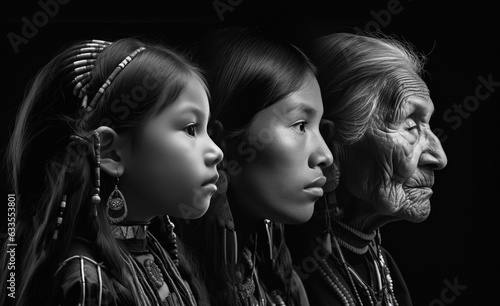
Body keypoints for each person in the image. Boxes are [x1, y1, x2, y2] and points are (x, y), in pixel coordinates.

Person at [0, 38, 223, 306]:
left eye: (207, 129)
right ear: (110, 152)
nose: (216, 152)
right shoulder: (85, 283)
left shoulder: (155, 252)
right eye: (190, 128)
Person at [287, 33, 448, 305]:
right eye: (409, 127)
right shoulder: (284, 269)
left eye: (428, 126)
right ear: (331, 142)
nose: (439, 157)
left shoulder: (383, 269)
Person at [179, 27, 334, 305]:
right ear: (219, 141)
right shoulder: (162, 285)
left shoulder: (274, 278)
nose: (325, 155)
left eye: (319, 127)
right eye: (300, 126)